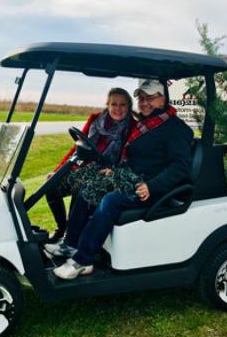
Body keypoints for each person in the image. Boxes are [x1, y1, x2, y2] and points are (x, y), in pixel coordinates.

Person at [46, 79, 194, 279]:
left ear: (163, 99)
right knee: (88, 189)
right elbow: (136, 159)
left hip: (152, 187)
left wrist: (152, 185)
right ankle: (71, 245)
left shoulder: (176, 129)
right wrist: (115, 172)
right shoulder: (147, 123)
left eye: (150, 98)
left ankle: (84, 260)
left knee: (111, 200)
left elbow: (180, 167)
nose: (144, 103)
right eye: (141, 98)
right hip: (132, 178)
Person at [45, 87, 136, 243]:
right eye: (114, 104)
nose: (118, 109)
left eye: (123, 105)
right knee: (51, 185)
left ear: (128, 107)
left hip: (109, 173)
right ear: (107, 105)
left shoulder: (132, 127)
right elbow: (78, 147)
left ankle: (72, 238)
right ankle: (62, 228)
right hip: (88, 168)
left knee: (81, 188)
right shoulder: (95, 120)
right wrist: (58, 171)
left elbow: (131, 158)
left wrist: (115, 171)